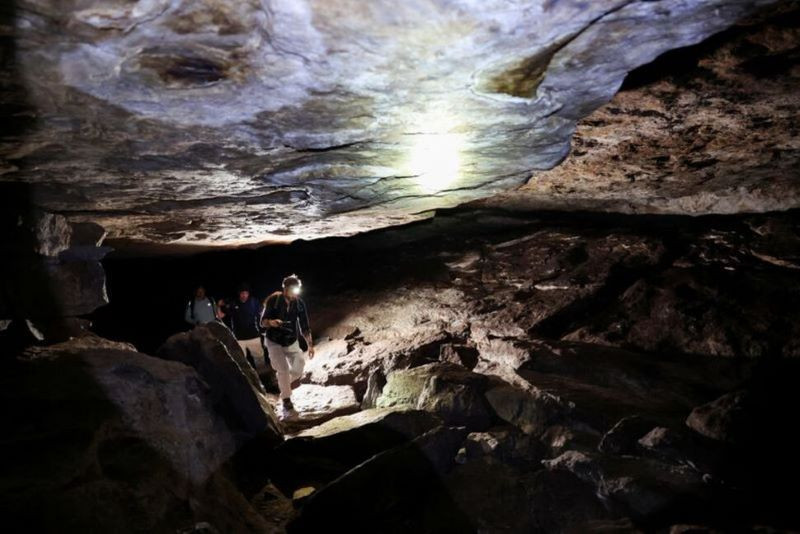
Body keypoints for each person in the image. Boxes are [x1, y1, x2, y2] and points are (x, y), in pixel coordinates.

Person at [261, 274, 314, 413]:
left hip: (291, 340)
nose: (295, 292)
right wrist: (272, 323)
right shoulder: (274, 300)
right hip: (274, 341)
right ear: (285, 289)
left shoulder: (299, 303)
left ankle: (282, 383)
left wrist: (310, 345)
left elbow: (304, 325)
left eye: (297, 289)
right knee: (283, 370)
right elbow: (262, 322)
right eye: (292, 289)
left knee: (299, 365)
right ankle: (286, 399)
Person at [223, 283, 269, 376]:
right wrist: (220, 305)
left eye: (246, 293)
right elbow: (222, 315)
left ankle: (265, 377)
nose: (244, 295)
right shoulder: (233, 303)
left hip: (254, 336)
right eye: (242, 293)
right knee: (240, 361)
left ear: (248, 293)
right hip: (239, 338)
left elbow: (262, 314)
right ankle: (247, 380)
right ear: (239, 294)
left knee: (259, 358)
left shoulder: (254, 302)